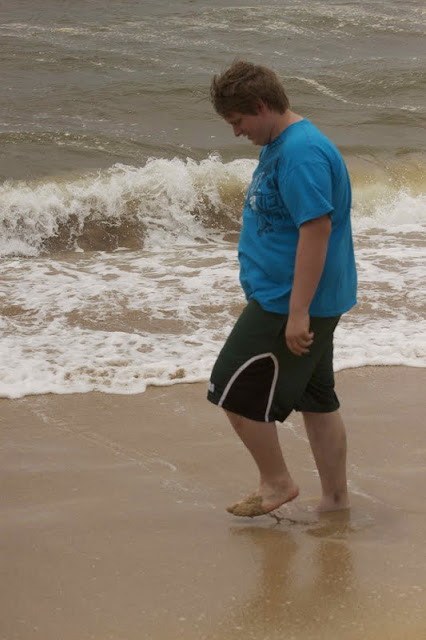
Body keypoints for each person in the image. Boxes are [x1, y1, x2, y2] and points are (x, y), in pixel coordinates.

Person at [207, 60, 357, 517]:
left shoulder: (300, 153)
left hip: (287, 301)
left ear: (260, 105)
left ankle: (277, 482)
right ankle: (335, 502)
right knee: (317, 399)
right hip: (303, 297)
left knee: (230, 389)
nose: (237, 132)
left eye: (238, 121)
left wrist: (297, 312)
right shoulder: (286, 144)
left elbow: (316, 229)